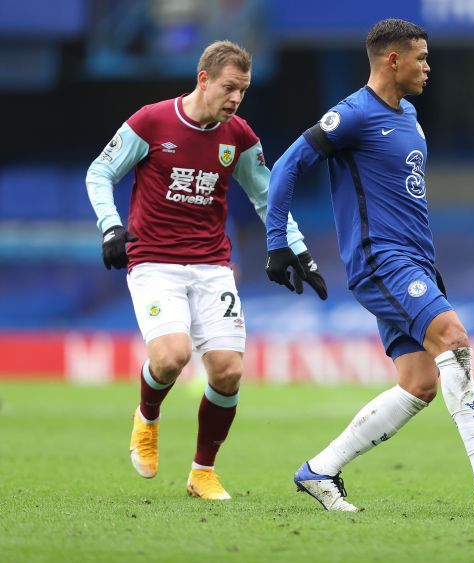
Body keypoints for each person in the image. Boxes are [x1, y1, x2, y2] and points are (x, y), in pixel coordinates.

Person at [266, 19, 474, 512]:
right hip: (382, 261)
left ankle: (320, 469)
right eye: (420, 57)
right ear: (392, 60)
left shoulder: (410, 115)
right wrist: (278, 241)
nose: (428, 67)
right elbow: (289, 165)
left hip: (417, 260)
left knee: (420, 384)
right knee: (454, 337)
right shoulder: (352, 114)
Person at [86, 40, 327, 500]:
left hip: (212, 265)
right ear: (204, 79)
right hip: (153, 261)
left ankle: (202, 472)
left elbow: (267, 196)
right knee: (171, 357)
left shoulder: (238, 136)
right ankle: (147, 418)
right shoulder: (152, 121)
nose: (236, 99)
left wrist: (295, 248)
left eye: (244, 91)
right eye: (230, 88)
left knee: (227, 371)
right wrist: (110, 227)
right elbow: (99, 173)